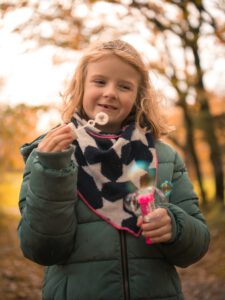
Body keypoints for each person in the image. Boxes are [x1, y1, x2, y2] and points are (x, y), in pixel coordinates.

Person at [18, 39, 210, 300]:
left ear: (138, 97)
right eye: (99, 82)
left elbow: (196, 246)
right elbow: (42, 250)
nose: (110, 92)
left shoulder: (161, 157)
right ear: (80, 87)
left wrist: (175, 226)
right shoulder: (51, 155)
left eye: (124, 86)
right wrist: (51, 172)